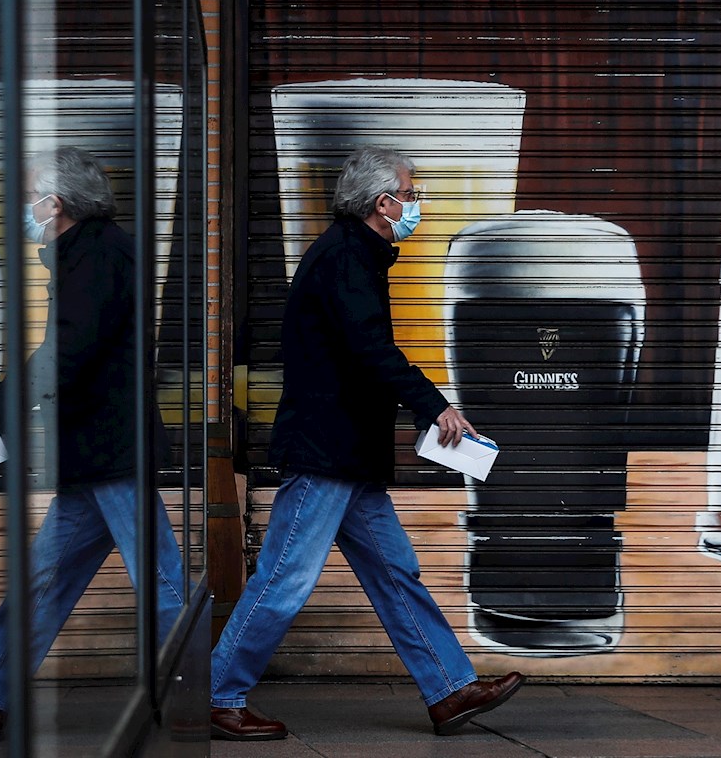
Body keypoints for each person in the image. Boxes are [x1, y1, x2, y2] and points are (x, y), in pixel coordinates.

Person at [209, 145, 525, 742]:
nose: (417, 204)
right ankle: (217, 695)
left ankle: (449, 689)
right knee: (285, 578)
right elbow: (372, 351)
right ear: (385, 203)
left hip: (348, 455)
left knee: (396, 573)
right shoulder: (346, 257)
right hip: (327, 453)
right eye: (412, 194)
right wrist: (436, 407)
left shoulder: (354, 255)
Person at [0, 146, 186, 740]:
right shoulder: (89, 252)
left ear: (55, 201)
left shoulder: (98, 253)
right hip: (94, 452)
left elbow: (68, 349)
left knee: (162, 582)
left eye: (30, 195)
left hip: (113, 450)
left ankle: (202, 697)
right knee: (45, 579)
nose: (24, 209)